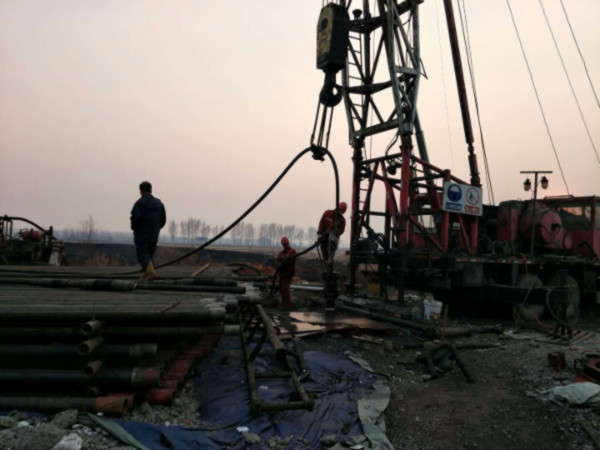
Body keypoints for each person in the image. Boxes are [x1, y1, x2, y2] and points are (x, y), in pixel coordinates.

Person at [130, 181, 166, 280]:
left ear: (141, 191)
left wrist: (134, 228)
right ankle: (146, 274)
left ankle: (150, 272)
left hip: (141, 235)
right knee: (149, 255)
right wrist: (156, 228)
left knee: (143, 255)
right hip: (154, 235)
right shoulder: (159, 204)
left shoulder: (139, 204)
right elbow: (163, 220)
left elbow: (135, 218)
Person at [276, 236, 296, 309]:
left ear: (288, 243)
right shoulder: (281, 253)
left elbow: (290, 260)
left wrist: (283, 262)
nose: (285, 245)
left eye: (286, 244)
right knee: (281, 288)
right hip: (282, 273)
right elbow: (277, 260)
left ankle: (288, 304)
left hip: (288, 273)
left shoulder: (292, 251)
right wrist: (278, 264)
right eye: (284, 244)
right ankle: (283, 303)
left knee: (286, 288)